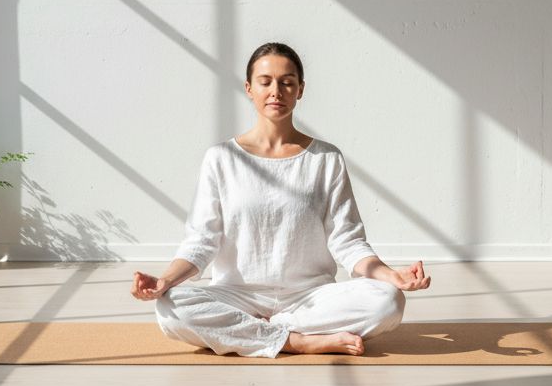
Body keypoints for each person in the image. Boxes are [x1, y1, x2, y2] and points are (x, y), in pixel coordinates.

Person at [131, 41, 432, 358]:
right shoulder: (220, 158)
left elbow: (348, 241)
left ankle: (254, 332)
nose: (276, 91)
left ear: (300, 89)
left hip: (310, 297)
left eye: (287, 82)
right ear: (249, 88)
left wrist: (392, 276)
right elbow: (201, 241)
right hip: (238, 295)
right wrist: (164, 281)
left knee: (389, 301)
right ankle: (295, 341)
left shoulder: (326, 158)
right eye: (265, 82)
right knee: (170, 307)